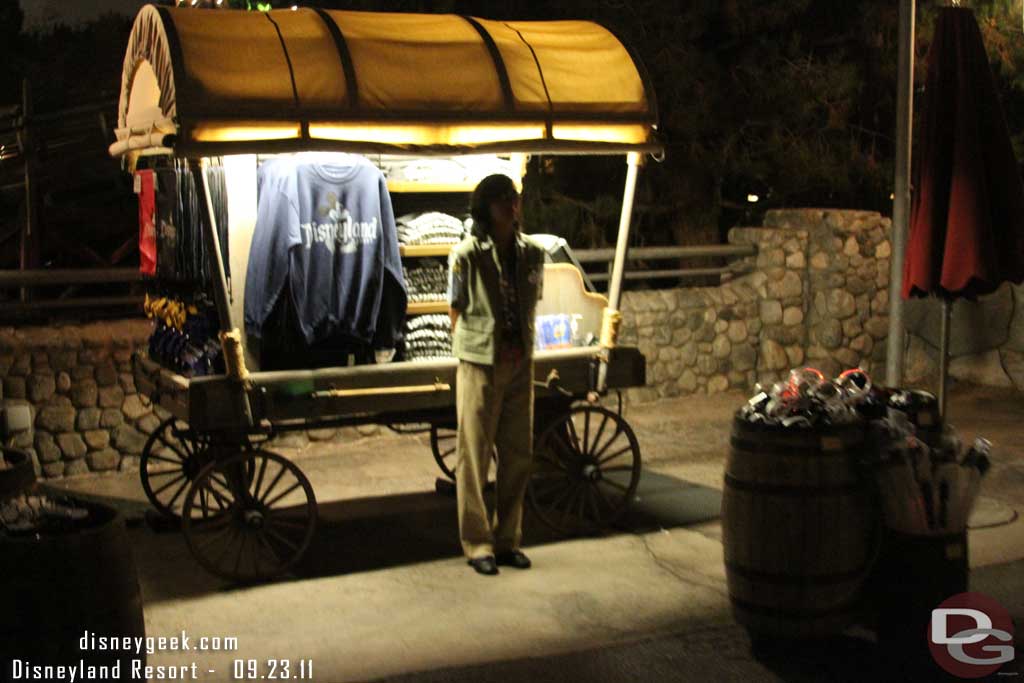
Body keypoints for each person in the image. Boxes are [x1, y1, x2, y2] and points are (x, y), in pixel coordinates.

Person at [448, 174, 545, 576]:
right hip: (479, 362)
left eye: (514, 198)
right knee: (474, 455)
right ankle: (477, 544)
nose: (511, 205)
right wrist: (473, 348)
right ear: (485, 207)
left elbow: (531, 303)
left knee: (518, 452)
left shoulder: (533, 253)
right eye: (502, 199)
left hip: (520, 360)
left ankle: (508, 540)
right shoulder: (466, 255)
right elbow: (456, 307)